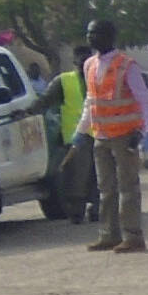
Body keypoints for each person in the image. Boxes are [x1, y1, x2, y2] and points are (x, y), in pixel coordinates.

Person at [80, 20, 148, 253]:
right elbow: (90, 101)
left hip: (125, 135)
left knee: (128, 188)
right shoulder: (89, 65)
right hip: (101, 135)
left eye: (97, 33)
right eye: (89, 33)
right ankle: (109, 234)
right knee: (106, 189)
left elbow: (144, 100)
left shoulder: (127, 65)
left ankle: (133, 236)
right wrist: (80, 132)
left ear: (110, 37)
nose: (91, 38)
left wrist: (144, 131)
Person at [50, 42, 98, 225]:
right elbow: (46, 100)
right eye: (80, 57)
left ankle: (97, 210)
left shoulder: (101, 77)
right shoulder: (63, 81)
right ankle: (76, 212)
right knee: (77, 176)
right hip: (77, 137)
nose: (84, 61)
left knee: (100, 174)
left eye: (87, 56)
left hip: (102, 133)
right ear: (74, 60)